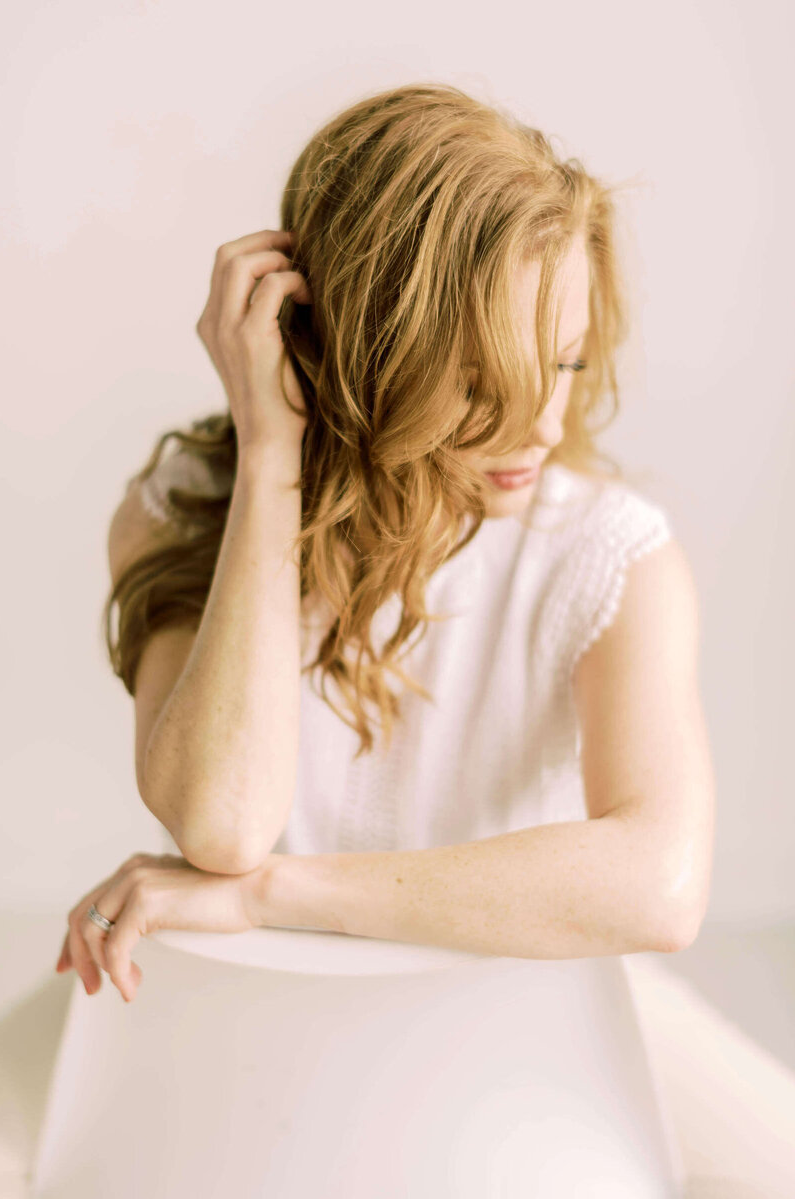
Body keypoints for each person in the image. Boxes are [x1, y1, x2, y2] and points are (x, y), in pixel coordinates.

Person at [58, 82, 713, 1009]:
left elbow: (662, 885)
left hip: (522, 1036)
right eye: (482, 379)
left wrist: (266, 898)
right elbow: (222, 824)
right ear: (362, 354)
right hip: (252, 1020)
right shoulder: (187, 510)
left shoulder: (609, 554)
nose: (538, 425)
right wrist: (271, 449)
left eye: (561, 364)